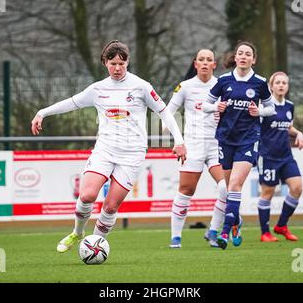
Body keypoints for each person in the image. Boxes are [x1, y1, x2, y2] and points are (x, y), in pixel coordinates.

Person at [31, 40, 187, 253]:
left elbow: (165, 112)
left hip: (132, 154)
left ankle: (94, 246)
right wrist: (43, 112)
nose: (117, 68)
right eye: (112, 63)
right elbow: (71, 102)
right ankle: (78, 232)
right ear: (105, 62)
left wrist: (179, 141)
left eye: (121, 64)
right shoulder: (97, 89)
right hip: (105, 150)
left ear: (127, 62)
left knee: (111, 206)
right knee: (87, 196)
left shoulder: (141, 87)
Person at [203, 41, 275, 250]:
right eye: (240, 53)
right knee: (227, 189)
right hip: (225, 139)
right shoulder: (223, 81)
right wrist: (217, 106)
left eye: (248, 54)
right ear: (235, 57)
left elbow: (270, 109)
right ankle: (236, 221)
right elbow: (205, 105)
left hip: (248, 139)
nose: (243, 56)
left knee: (234, 185)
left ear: (254, 59)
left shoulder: (260, 83)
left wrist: (259, 112)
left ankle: (224, 231)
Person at [165, 49, 228, 248]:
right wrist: (176, 141)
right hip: (193, 144)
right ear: (195, 63)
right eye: (201, 59)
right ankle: (176, 237)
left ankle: (213, 232)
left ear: (214, 64)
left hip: (217, 144)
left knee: (226, 188)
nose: (205, 63)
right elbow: (168, 112)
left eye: (209, 60)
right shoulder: (185, 86)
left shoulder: (222, 85)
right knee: (186, 190)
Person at [257, 71, 303, 242]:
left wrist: (298, 133)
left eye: (284, 83)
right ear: (271, 86)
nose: (281, 85)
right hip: (267, 156)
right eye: (277, 82)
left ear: (287, 86)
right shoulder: (264, 107)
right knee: (268, 192)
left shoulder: (289, 106)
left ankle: (282, 225)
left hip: (286, 156)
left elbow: (288, 127)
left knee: (297, 187)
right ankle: (265, 232)